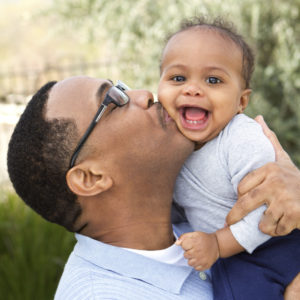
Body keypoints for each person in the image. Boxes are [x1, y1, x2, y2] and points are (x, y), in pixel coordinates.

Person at [7, 76, 300, 300]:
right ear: (91, 177)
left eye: (123, 86)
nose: (144, 95)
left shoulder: (210, 210)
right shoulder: (104, 295)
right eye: (113, 101)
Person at [158, 17, 300, 299]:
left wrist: (217, 245)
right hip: (233, 254)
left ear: (241, 102)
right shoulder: (169, 144)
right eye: (178, 78)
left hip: (276, 241)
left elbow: (272, 206)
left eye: (213, 80)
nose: (193, 89)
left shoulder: (240, 139)